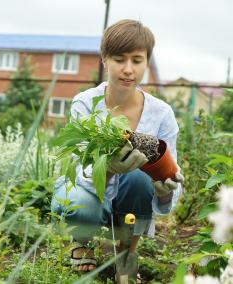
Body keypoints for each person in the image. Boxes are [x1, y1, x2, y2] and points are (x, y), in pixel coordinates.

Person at [50, 19, 184, 280]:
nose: (128, 69)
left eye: (137, 60)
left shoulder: (161, 114)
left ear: (147, 62)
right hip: (90, 193)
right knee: (80, 203)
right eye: (119, 59)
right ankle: (82, 240)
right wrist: (109, 169)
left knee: (138, 176)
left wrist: (166, 191)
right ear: (104, 60)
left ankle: (126, 253)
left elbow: (171, 171)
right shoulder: (87, 104)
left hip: (132, 199)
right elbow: (79, 172)